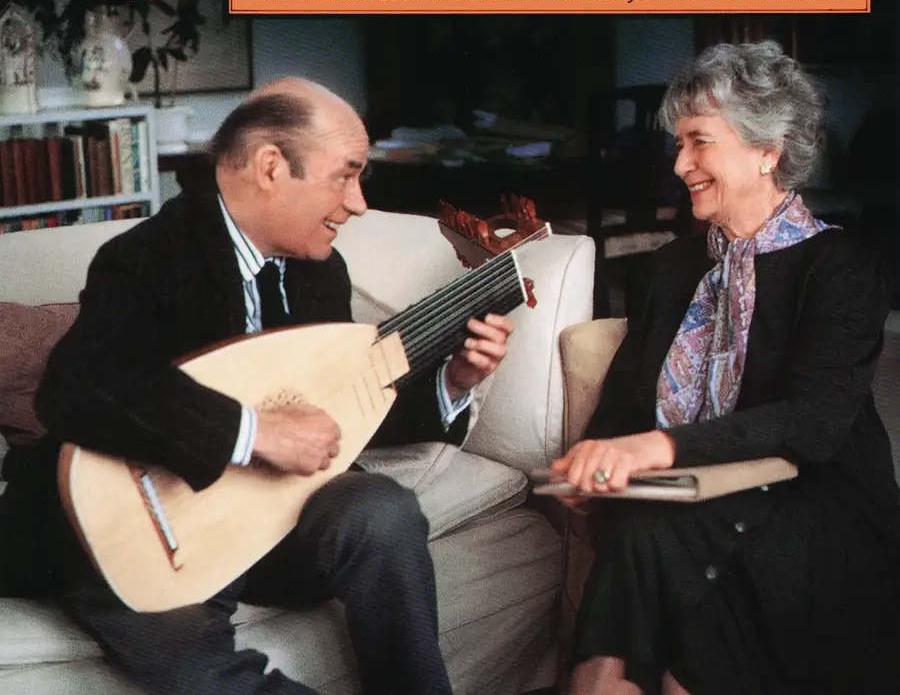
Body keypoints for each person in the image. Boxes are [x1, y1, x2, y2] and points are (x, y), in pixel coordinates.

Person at [0, 77, 513, 695]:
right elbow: (78, 386)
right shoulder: (149, 256)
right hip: (137, 529)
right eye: (345, 176)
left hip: (262, 518)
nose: (358, 204)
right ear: (271, 166)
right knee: (191, 664)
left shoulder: (319, 270)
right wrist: (253, 432)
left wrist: (454, 380)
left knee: (383, 511)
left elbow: (334, 418)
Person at [550, 41, 900, 695]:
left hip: (811, 501)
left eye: (699, 142)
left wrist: (656, 447)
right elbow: (626, 401)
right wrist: (591, 461)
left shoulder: (842, 267)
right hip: (682, 496)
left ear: (769, 151)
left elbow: (813, 424)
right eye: (678, 144)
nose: (680, 164)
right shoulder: (668, 269)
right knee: (647, 530)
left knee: (653, 540)